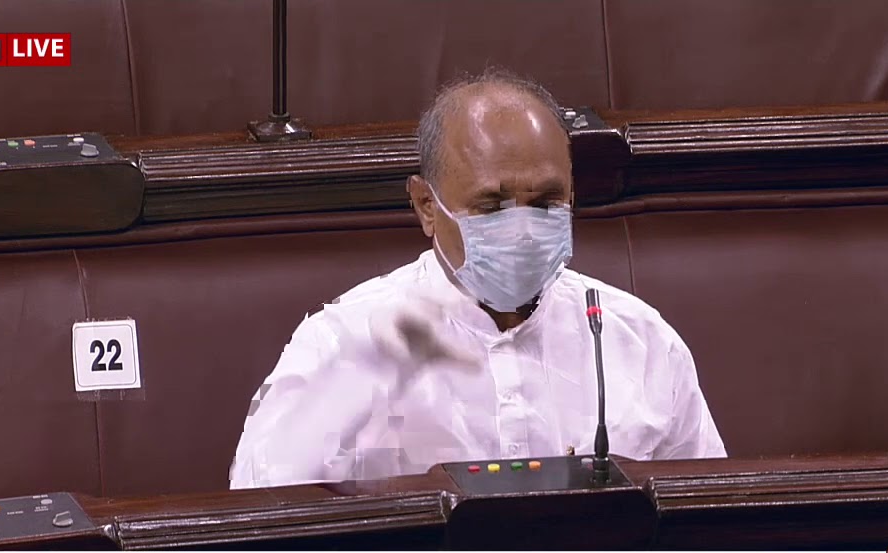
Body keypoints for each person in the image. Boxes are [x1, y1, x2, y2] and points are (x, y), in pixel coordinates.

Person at [229, 68, 726, 488]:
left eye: (546, 202)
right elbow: (265, 516)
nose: (524, 230)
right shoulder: (343, 345)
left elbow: (703, 516)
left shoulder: (639, 341)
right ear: (426, 206)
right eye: (492, 206)